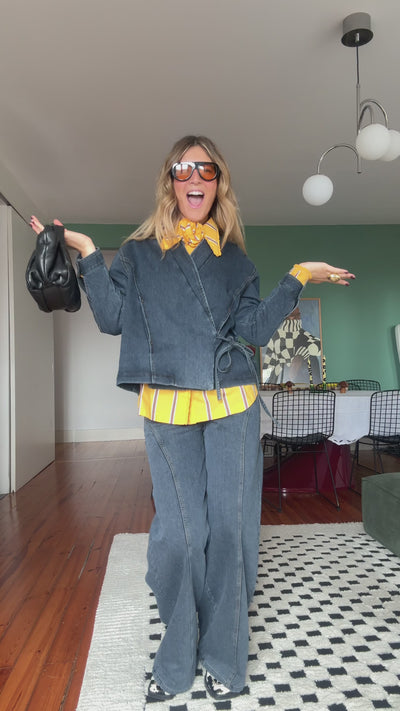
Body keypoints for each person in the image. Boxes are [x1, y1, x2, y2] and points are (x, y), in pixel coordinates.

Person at [30, 135, 355, 702]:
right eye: (184, 168)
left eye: (207, 169)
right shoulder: (139, 253)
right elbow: (111, 318)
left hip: (232, 403)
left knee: (230, 531)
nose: (195, 178)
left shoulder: (237, 261)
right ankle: (178, 653)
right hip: (166, 406)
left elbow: (254, 330)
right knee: (181, 536)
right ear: (171, 181)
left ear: (218, 182)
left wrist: (298, 275)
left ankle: (225, 656)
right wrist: (87, 251)